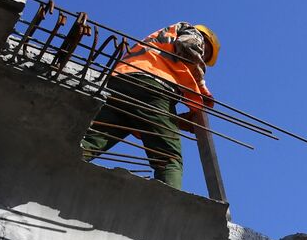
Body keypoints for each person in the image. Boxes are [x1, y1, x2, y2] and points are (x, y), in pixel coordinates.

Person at [80, 22, 219, 190]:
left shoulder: (159, 41)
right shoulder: (191, 31)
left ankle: (50, 168)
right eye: (205, 54)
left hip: (121, 83)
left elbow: (151, 115)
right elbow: (188, 46)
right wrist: (201, 87)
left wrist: (180, 122)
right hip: (153, 84)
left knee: (90, 141)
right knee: (169, 159)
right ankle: (168, 208)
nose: (202, 56)